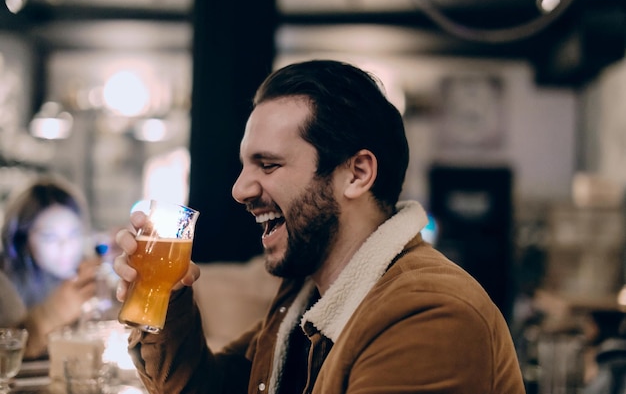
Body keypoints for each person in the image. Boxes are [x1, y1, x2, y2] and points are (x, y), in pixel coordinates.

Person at [113, 60, 525, 393]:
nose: (239, 189)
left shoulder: (432, 314)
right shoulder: (307, 295)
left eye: (269, 164)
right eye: (245, 166)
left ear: (357, 173)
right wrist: (165, 301)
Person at [0, 175, 100, 358]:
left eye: (74, 234)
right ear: (21, 239)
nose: (65, 246)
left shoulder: (83, 278)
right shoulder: (4, 284)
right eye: (49, 237)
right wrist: (50, 315)